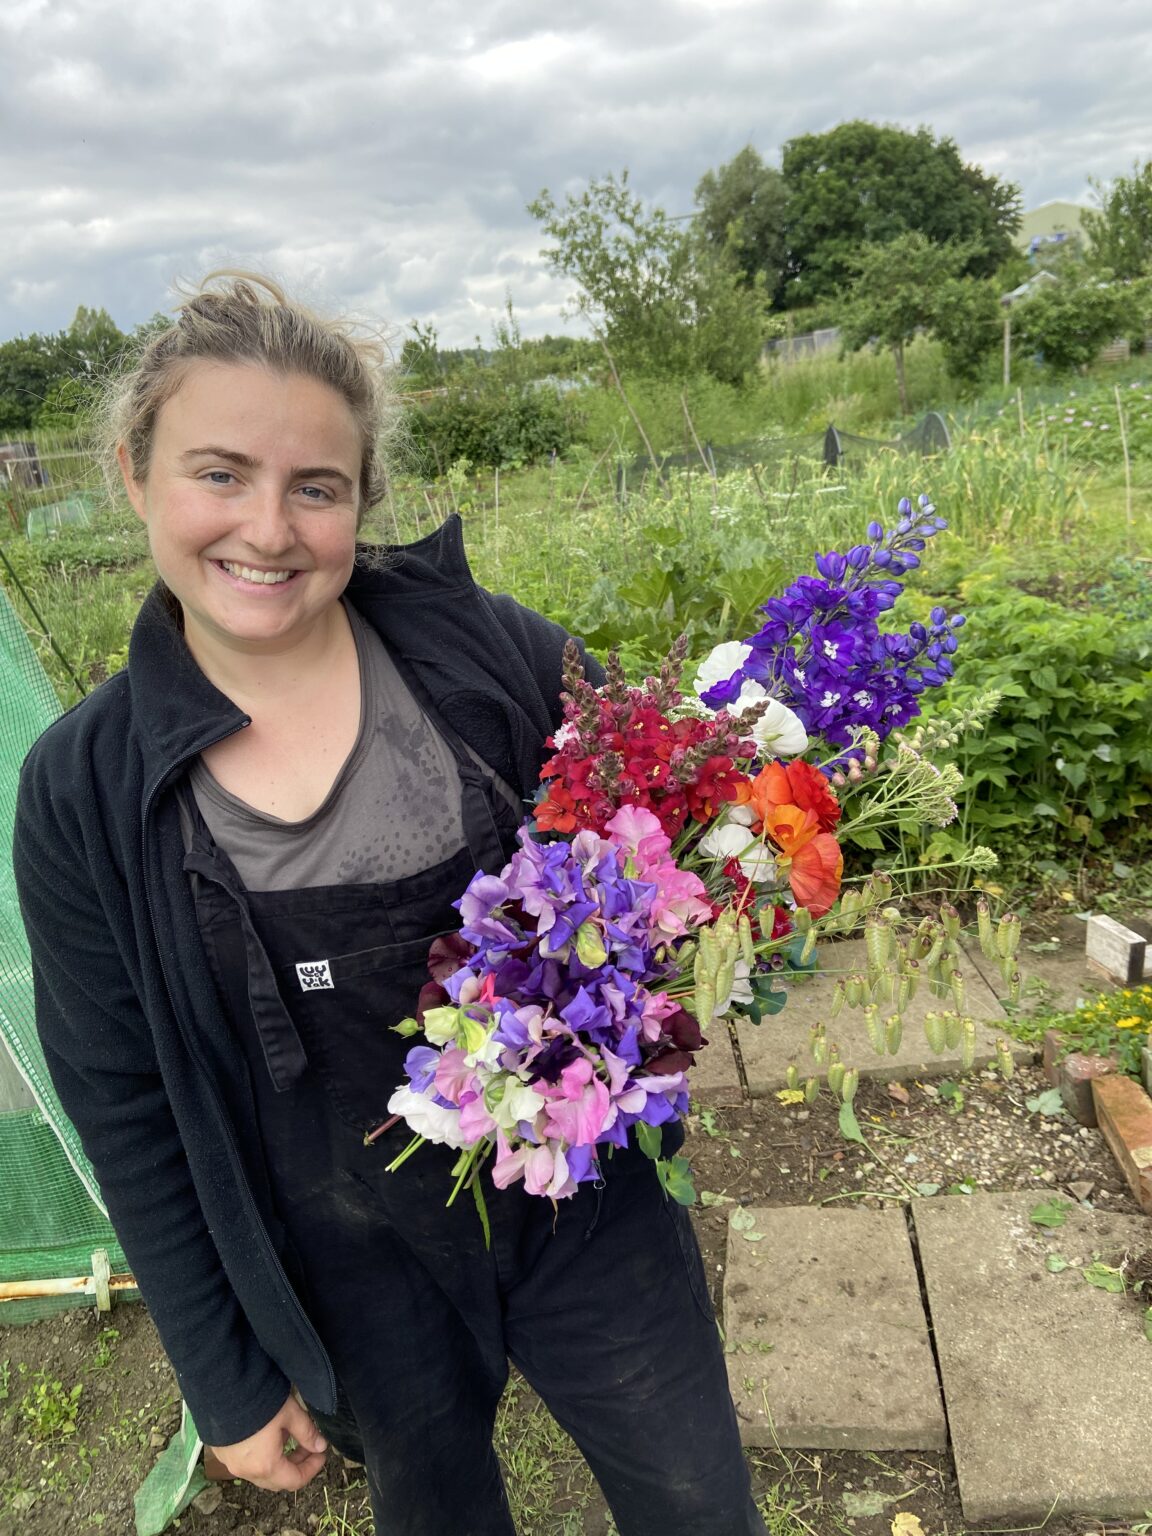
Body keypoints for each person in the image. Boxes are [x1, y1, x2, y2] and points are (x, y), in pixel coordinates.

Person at [14, 273, 766, 1536]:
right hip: (345, 1255)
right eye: (219, 473)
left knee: (696, 1497)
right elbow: (122, 1101)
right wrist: (221, 1375)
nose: (268, 528)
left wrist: (728, 884)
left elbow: (661, 844)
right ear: (133, 474)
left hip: (586, 1208)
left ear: (362, 501)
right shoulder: (84, 789)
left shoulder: (494, 659)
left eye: (317, 487)